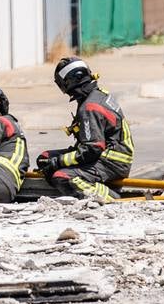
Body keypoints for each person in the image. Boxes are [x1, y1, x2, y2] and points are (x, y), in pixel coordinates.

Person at [35, 57, 133, 203]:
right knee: (44, 158)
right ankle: (92, 182)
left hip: (111, 161)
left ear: (69, 82)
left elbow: (92, 149)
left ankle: (111, 196)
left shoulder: (89, 107)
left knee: (62, 177)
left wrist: (59, 162)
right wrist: (55, 161)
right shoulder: (97, 94)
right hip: (105, 155)